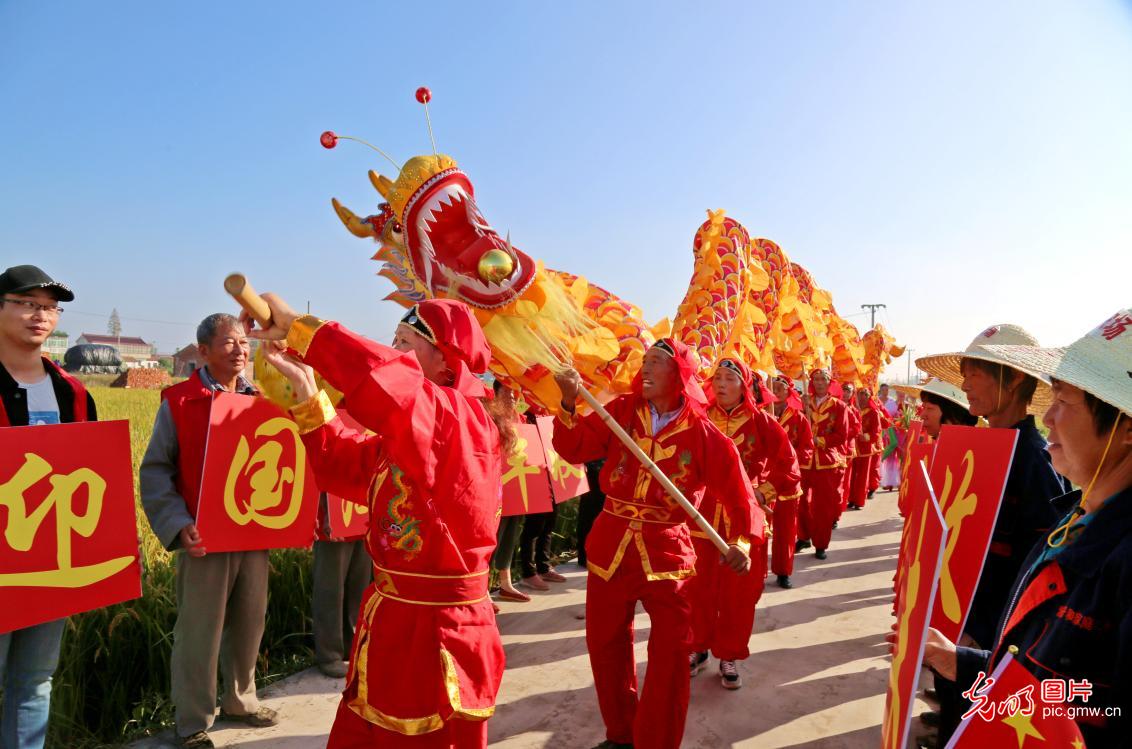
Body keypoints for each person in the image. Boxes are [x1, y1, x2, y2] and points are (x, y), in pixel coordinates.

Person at [251, 296, 508, 748]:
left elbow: (391, 382)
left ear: (446, 359)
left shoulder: (462, 422)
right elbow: (344, 465)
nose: (394, 351)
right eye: (392, 341)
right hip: (393, 622)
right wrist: (308, 393)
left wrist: (299, 328)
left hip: (435, 634)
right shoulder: (417, 429)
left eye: (405, 343)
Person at [911, 309, 1132, 747]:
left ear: (1124, 428)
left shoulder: (1118, 556)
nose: (1049, 418)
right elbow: (1041, 664)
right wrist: (968, 663)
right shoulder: (1077, 519)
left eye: (1065, 401)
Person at [553, 338, 757, 749]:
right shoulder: (622, 413)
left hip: (667, 552)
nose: (645, 369)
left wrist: (742, 543)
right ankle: (621, 733)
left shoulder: (702, 433)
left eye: (657, 363)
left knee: (671, 656)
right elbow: (574, 447)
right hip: (611, 546)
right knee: (605, 644)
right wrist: (569, 402)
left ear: (679, 375)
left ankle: (657, 740)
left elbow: (741, 496)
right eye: (644, 361)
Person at [915, 324, 1067, 741]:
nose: (963, 385)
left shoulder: (1035, 460)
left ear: (1013, 377)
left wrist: (981, 629)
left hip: (986, 630)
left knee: (974, 721)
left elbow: (1035, 565)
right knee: (953, 706)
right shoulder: (979, 447)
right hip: (957, 612)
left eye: (973, 373)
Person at [140, 313, 279, 749]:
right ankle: (193, 720)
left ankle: (241, 699)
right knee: (200, 629)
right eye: (228, 343)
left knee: (249, 621)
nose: (240, 350)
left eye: (243, 342)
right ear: (202, 351)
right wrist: (179, 526)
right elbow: (156, 471)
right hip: (204, 539)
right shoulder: (180, 402)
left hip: (253, 533)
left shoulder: (264, 399)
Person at [0, 265, 96, 749]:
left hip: (48, 560)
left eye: (50, 308)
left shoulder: (72, 392)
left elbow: (94, 477)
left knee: (35, 681)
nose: (40, 315)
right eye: (26, 303)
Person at [688, 358, 800, 689]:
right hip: (701, 519)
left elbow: (788, 466)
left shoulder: (761, 422)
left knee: (740, 593)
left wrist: (762, 494)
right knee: (698, 589)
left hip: (745, 523)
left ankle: (730, 654)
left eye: (729, 378)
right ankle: (698, 647)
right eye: (717, 378)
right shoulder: (697, 419)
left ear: (745, 385)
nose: (721, 383)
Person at [312, 492, 372, 679]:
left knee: (359, 586)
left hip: (362, 514)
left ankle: (352, 647)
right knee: (331, 589)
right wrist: (330, 509)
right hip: (332, 516)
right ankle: (329, 655)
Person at [797, 369, 850, 560]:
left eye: (823, 379)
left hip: (826, 463)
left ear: (829, 383)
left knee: (822, 507)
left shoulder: (840, 407)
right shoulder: (803, 403)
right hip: (804, 460)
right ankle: (803, 536)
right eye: (816, 379)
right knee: (799, 502)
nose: (819, 383)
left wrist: (820, 440)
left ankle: (821, 543)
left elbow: (841, 436)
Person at [771, 375, 814, 588]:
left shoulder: (799, 418)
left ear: (789, 392)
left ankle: (783, 570)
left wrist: (790, 458)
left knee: (785, 531)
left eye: (780, 387)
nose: (776, 391)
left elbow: (807, 448)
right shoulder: (760, 415)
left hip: (787, 481)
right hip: (763, 482)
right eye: (773, 387)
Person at [847, 386, 883, 510]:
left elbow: (877, 431)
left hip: (865, 448)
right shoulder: (853, 410)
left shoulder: (873, 412)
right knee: (851, 476)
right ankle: (850, 499)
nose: (861, 397)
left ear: (869, 397)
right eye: (859, 394)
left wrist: (866, 437)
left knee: (862, 476)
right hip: (853, 447)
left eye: (864, 394)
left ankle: (859, 500)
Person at [839, 382, 862, 518]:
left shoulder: (853, 410)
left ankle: (841, 505)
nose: (845, 393)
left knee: (845, 479)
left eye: (848, 390)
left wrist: (843, 433)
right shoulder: (833, 406)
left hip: (847, 448)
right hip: (833, 449)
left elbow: (857, 428)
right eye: (843, 390)